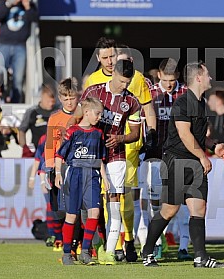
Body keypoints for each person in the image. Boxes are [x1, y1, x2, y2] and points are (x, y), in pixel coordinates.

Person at [141, 60, 224, 268]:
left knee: (199, 209)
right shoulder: (182, 102)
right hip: (177, 161)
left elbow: (199, 137)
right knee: (169, 210)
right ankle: (147, 252)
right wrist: (202, 156)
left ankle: (201, 257)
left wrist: (213, 146)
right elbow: (184, 134)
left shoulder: (201, 102)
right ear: (198, 78)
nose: (210, 78)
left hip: (195, 162)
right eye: (207, 74)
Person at [84, 38, 156, 262]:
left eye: (111, 56)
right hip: (96, 151)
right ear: (99, 59)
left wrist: (149, 133)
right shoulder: (93, 84)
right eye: (104, 57)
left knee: (125, 200)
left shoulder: (135, 82)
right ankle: (101, 245)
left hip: (126, 150)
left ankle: (125, 242)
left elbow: (147, 109)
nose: (108, 60)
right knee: (98, 199)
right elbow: (80, 118)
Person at [81, 59, 141, 265]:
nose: (125, 86)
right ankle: (85, 247)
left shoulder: (132, 102)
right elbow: (79, 118)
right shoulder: (93, 92)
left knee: (114, 202)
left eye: (128, 82)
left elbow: (135, 133)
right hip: (90, 153)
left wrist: (121, 138)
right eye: (122, 81)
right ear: (113, 73)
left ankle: (109, 252)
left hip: (116, 155)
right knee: (86, 204)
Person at [138, 58, 192, 260]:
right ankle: (157, 242)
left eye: (172, 80)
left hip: (180, 155)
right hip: (155, 155)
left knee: (185, 201)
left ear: (177, 77)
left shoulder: (185, 93)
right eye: (165, 79)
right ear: (159, 75)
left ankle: (183, 247)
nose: (169, 84)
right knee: (155, 201)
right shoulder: (150, 94)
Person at [54, 97, 109, 266]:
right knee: (72, 215)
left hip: (92, 175)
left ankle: (86, 252)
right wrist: (58, 173)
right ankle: (66, 253)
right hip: (75, 174)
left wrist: (105, 178)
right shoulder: (73, 131)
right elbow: (60, 154)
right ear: (86, 112)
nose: (99, 117)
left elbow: (100, 158)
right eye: (97, 113)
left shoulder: (98, 133)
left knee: (94, 213)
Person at [44, 77, 79, 252]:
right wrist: (48, 169)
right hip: (59, 168)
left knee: (78, 207)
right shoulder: (55, 118)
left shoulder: (82, 116)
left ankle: (75, 243)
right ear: (60, 98)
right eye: (65, 98)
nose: (69, 101)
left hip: (78, 166)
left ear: (77, 96)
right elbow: (50, 145)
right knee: (58, 208)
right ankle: (63, 239)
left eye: (72, 97)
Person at [0, 0, 38, 103]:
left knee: (18, 79)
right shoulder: (4, 2)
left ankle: (15, 103)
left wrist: (27, 6)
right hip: (4, 44)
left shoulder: (29, 4)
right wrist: (9, 3)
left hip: (20, 45)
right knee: (0, 76)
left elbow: (34, 19)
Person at [18, 84, 57, 157]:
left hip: (54, 153)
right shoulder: (32, 112)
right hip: (36, 153)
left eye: (53, 101)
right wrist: (25, 147)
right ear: (42, 97)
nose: (51, 104)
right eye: (48, 101)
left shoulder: (57, 112)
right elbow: (21, 130)